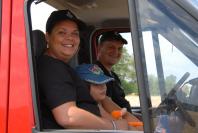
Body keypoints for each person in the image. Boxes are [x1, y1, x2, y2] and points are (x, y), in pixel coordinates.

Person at [37, 10, 128, 130]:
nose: (70, 38)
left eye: (75, 33)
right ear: (47, 37)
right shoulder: (51, 67)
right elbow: (68, 116)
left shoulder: (63, 67)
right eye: (62, 32)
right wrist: (114, 126)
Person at [75, 64, 143, 131]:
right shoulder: (88, 108)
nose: (103, 87)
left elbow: (132, 122)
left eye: (104, 82)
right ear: (83, 87)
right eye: (96, 84)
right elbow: (121, 126)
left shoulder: (103, 100)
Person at [95, 31, 132, 113]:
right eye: (111, 47)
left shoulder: (114, 76)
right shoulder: (96, 75)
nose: (116, 52)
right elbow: (107, 109)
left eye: (119, 49)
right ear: (99, 48)